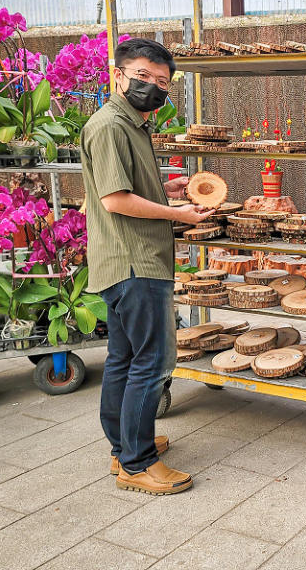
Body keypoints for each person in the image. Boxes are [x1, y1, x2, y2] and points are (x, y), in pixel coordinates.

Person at [80, 38, 213, 496]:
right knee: (154, 361)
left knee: (124, 358)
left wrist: (167, 191)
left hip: (123, 260)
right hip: (135, 262)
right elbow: (115, 200)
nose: (152, 87)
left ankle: (123, 445)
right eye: (143, 76)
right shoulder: (110, 127)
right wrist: (178, 215)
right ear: (118, 74)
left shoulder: (131, 124)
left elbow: (129, 188)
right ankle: (137, 464)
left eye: (161, 82)